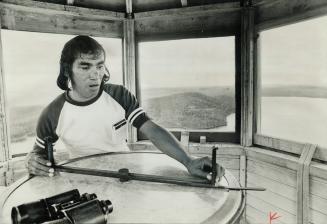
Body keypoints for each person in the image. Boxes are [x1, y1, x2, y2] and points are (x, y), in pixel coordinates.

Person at [25, 35, 225, 182]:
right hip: (82, 178)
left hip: (125, 174)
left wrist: (188, 161)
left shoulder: (119, 95)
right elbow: (38, 154)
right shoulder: (52, 113)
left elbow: (151, 129)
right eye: (85, 67)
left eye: (100, 66)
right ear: (67, 70)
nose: (95, 75)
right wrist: (32, 161)